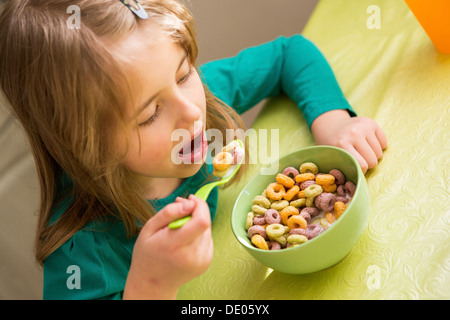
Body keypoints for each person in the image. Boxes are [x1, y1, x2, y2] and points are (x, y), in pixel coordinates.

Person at [0, 0, 387, 299]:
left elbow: (289, 54)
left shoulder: (197, 98)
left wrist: (334, 120)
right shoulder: (80, 252)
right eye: (150, 114)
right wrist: (150, 285)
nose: (191, 111)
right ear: (87, 146)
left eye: (184, 73)